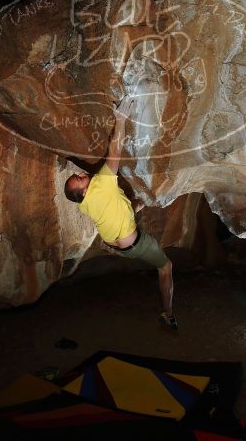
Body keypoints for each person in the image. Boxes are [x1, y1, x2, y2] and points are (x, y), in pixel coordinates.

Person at [64, 96, 177, 329]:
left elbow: (117, 207)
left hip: (117, 246)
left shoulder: (86, 204)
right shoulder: (102, 183)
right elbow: (115, 148)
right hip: (136, 245)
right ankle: (168, 313)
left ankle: (140, 205)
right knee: (166, 268)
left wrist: (139, 204)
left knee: (129, 203)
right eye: (79, 178)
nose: (81, 174)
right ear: (83, 190)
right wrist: (121, 119)